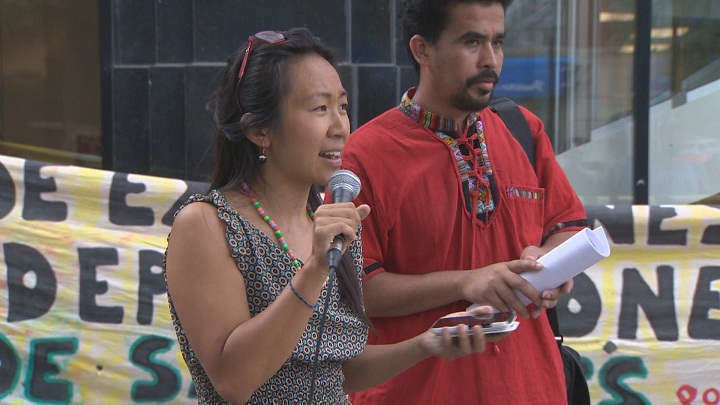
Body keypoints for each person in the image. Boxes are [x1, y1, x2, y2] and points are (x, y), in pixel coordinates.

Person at [164, 27, 494, 404]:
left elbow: (335, 372)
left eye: (342, 106)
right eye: (320, 108)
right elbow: (235, 380)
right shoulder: (207, 224)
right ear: (259, 130)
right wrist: (315, 269)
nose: (340, 128)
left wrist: (426, 344)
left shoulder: (331, 223)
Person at [335, 1, 589, 404]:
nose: (490, 60)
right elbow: (357, 289)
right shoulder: (364, 155)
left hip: (533, 388)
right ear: (422, 49)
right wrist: (466, 281)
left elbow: (568, 226)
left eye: (498, 42)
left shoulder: (523, 130)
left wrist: (548, 265)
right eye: (472, 42)